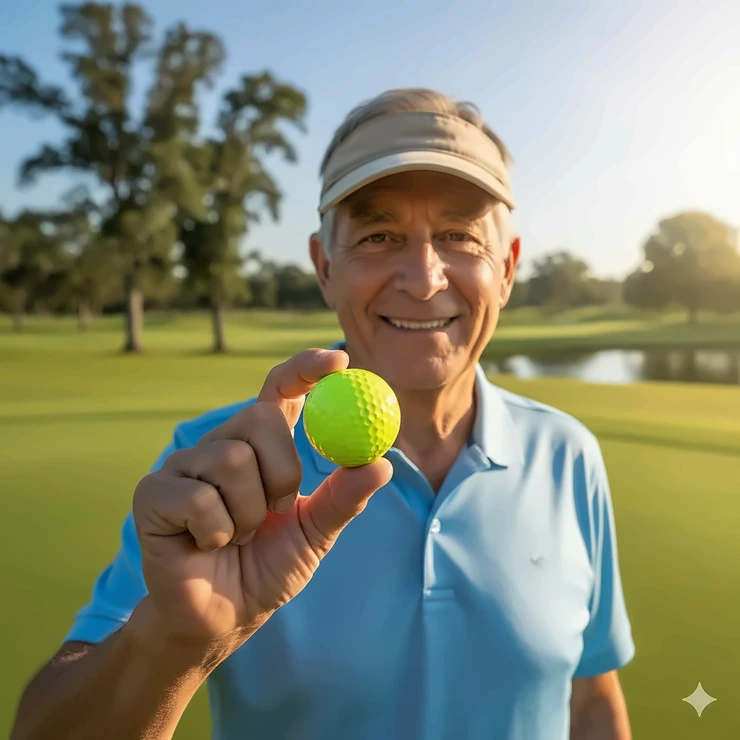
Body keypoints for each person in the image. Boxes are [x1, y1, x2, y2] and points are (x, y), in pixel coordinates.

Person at [11, 88, 635, 740]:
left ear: (506, 269)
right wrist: (170, 640)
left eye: (458, 236)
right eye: (378, 235)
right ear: (323, 266)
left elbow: (590, 702)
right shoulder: (218, 473)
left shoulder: (569, 455)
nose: (423, 278)